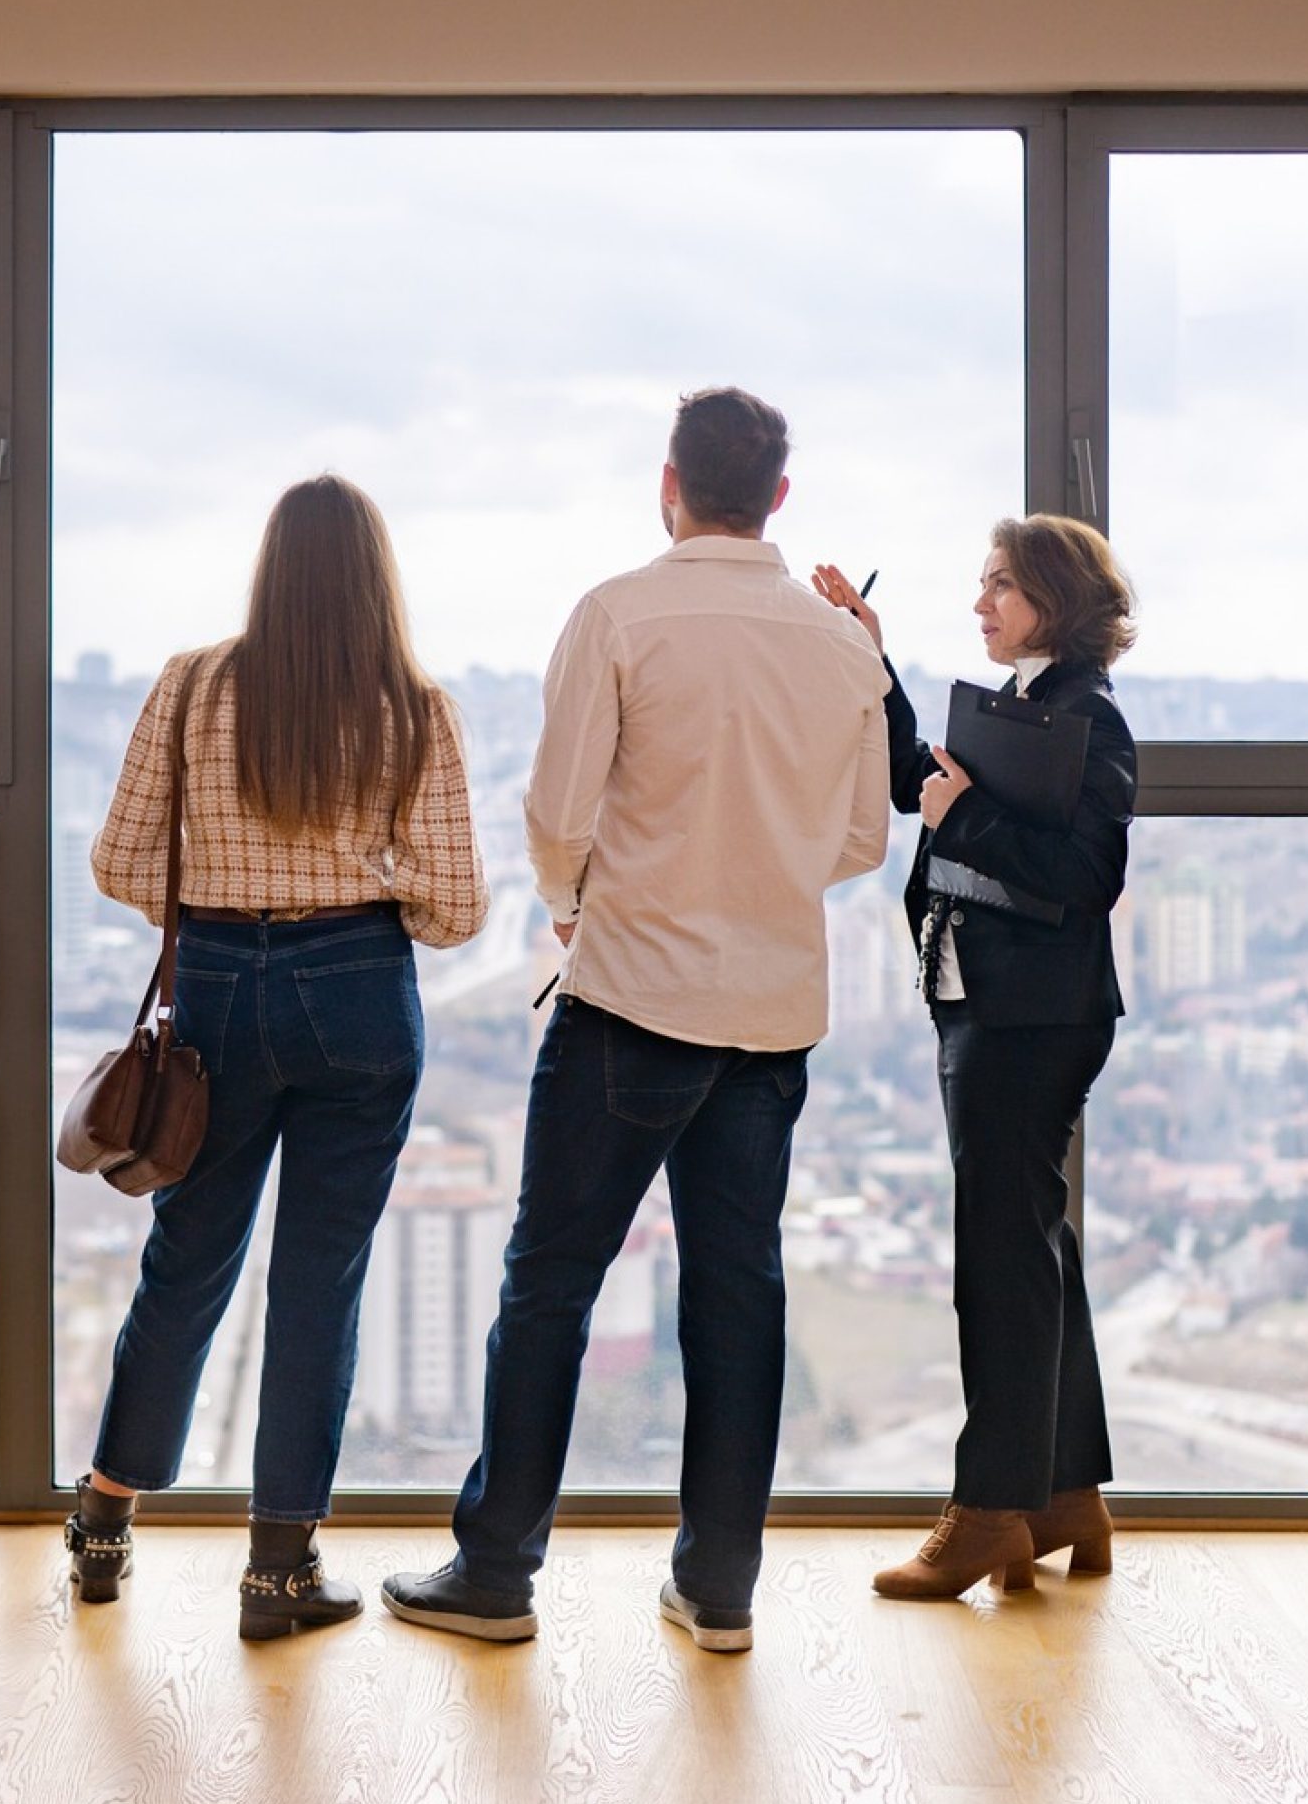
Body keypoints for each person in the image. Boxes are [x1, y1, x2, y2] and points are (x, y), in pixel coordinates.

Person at [382, 388, 890, 1656]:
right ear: (781, 494)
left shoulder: (616, 614)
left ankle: (497, 1573)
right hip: (771, 1018)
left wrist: (575, 906)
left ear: (668, 484)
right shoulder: (844, 648)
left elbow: (557, 813)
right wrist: (758, 877)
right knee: (740, 1296)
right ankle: (720, 1590)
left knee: (549, 1286)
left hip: (627, 1004)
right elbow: (865, 839)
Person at [66, 473, 486, 1640]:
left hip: (216, 994)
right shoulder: (415, 708)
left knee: (188, 1262)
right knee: (320, 1284)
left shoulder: (192, 686)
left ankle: (103, 1521)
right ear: (373, 577)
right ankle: (278, 1572)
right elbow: (456, 910)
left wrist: (226, 896)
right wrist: (361, 884)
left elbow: (117, 863)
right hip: (358, 996)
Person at [809, 514, 1138, 1602]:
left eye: (1000, 583)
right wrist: (873, 654)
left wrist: (969, 818)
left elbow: (1081, 877)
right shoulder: (1029, 706)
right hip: (992, 1007)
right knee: (1032, 1242)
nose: (982, 601)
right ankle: (1067, 1494)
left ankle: (992, 1512)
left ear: (1055, 595)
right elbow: (922, 780)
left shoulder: (1088, 717)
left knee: (998, 1260)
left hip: (1031, 1019)